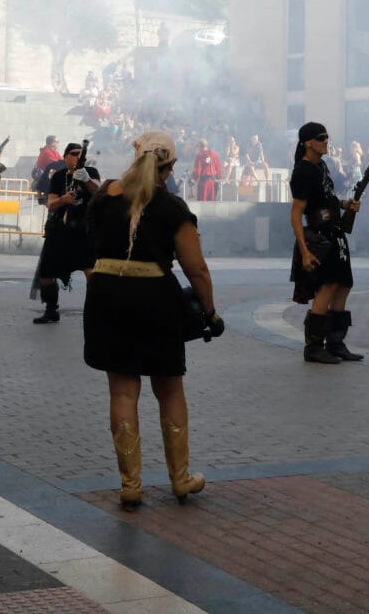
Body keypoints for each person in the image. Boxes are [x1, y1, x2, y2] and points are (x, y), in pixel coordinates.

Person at [83, 131, 217, 510]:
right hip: (155, 299)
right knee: (169, 389)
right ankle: (180, 479)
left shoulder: (103, 196)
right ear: (169, 167)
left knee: (123, 392)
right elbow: (198, 270)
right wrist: (211, 312)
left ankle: (130, 485)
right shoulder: (172, 206)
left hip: (107, 296)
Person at [289, 122, 363, 364]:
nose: (326, 141)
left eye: (327, 137)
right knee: (327, 287)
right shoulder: (303, 171)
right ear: (308, 142)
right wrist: (304, 249)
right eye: (321, 138)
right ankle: (313, 347)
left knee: (343, 285)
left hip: (335, 233)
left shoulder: (321, 166)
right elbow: (297, 212)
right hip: (320, 236)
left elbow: (326, 199)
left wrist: (343, 205)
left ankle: (335, 343)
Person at [31, 142, 101, 324]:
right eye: (73, 153)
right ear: (65, 157)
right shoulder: (59, 176)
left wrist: (86, 179)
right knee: (46, 273)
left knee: (92, 272)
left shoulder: (91, 173)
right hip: (61, 231)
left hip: (85, 231)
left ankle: (96, 312)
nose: (77, 156)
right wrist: (64, 199)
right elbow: (51, 203)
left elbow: (100, 194)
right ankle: (51, 309)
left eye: (80, 154)